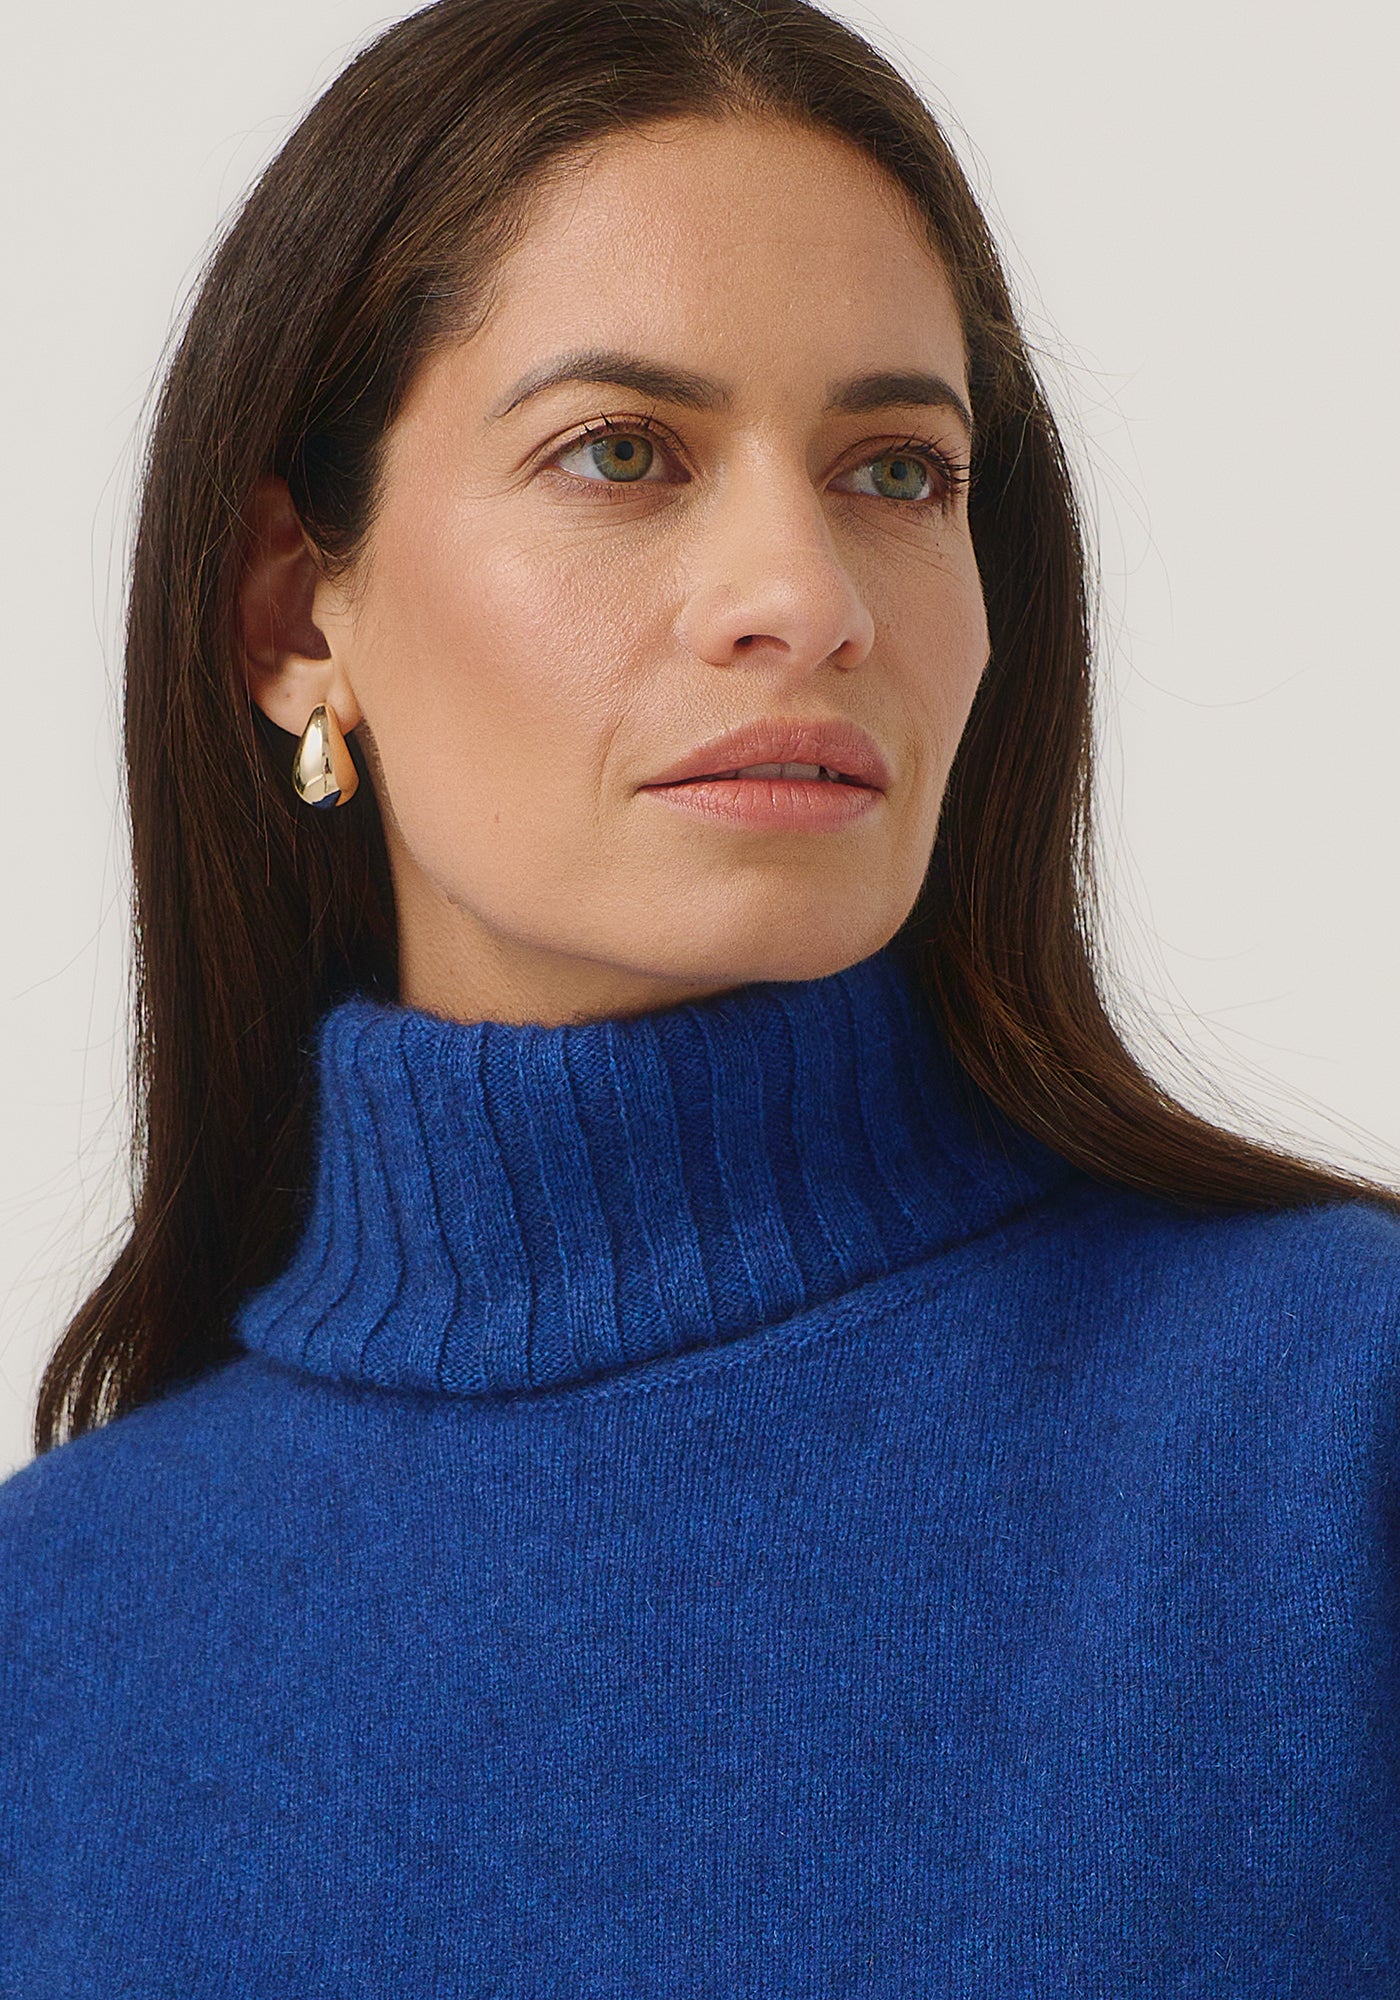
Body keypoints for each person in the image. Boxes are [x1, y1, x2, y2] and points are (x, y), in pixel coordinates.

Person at [3, 0, 1397, 1989]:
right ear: (291, 609)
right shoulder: (50, 1640)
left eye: (896, 471)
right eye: (620, 452)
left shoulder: (1335, 1441)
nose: (804, 597)